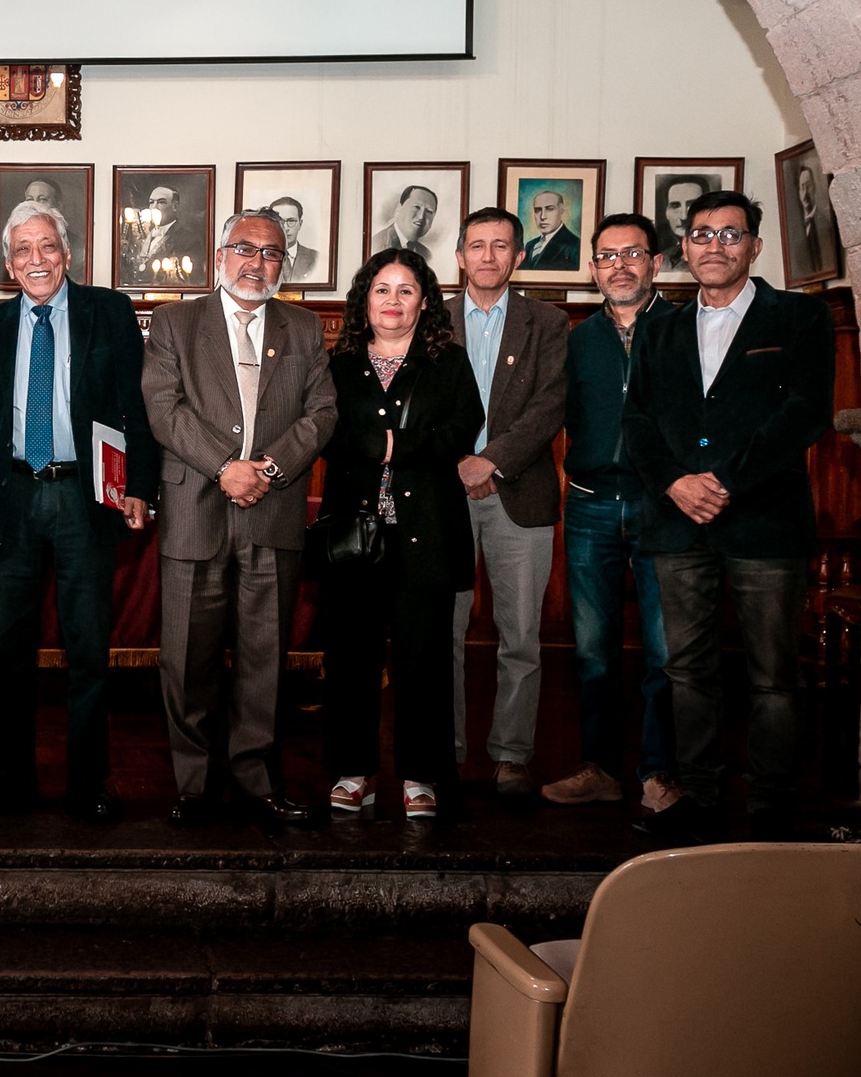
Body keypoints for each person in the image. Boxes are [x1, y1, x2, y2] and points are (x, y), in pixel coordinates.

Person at [624, 191, 834, 843]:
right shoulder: (657, 327)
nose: (715, 246)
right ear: (683, 248)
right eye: (702, 234)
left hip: (765, 525)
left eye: (730, 235)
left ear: (754, 247)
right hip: (676, 523)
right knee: (687, 670)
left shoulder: (799, 318)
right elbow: (638, 425)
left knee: (773, 674)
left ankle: (771, 805)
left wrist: (725, 482)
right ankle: (702, 798)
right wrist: (677, 485)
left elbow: (804, 413)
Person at [0, 199, 158, 825]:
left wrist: (140, 488)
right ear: (8, 264)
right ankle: (11, 783)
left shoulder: (108, 312)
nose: (36, 259)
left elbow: (137, 407)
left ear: (67, 255)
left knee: (88, 651)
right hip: (12, 499)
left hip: (84, 497)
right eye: (23, 250)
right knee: (7, 652)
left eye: (47, 247)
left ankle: (87, 785)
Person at [142, 208, 337, 826]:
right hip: (195, 507)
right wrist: (226, 466)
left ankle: (256, 779)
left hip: (273, 510)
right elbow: (163, 409)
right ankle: (193, 783)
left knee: (264, 657)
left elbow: (323, 412)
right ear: (221, 256)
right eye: (246, 249)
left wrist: (268, 470)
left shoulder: (304, 327)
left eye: (272, 252)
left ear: (285, 261)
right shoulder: (175, 322)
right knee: (187, 658)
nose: (258, 262)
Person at [318, 249, 481, 820]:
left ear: (425, 300)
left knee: (425, 661)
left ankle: (422, 776)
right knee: (350, 659)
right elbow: (326, 432)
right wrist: (396, 442)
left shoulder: (449, 362)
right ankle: (352, 771)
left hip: (427, 534)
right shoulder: (337, 364)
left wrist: (387, 445)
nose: (393, 301)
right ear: (365, 298)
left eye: (406, 290)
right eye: (382, 289)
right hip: (353, 537)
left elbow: (462, 430)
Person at [539, 214, 679, 814]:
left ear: (655, 262)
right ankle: (597, 767)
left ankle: (659, 773)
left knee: (664, 653)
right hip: (592, 508)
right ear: (593, 268)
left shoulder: (685, 329)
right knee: (593, 652)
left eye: (632, 253)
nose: (618, 265)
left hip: (664, 508)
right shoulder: (576, 339)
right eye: (606, 256)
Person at [445, 207, 568, 797]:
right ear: (460, 256)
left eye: (500, 246)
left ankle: (512, 754)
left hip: (519, 493)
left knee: (520, 635)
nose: (488, 256)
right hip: (442, 496)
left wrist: (490, 462)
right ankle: (444, 750)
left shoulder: (547, 322)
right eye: (477, 245)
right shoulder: (430, 319)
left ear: (519, 257)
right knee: (440, 632)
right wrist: (459, 466)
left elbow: (550, 406)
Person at [791, 163, 838, 277]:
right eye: (802, 187)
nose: (805, 193)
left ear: (815, 187)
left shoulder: (826, 224)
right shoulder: (794, 231)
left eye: (808, 185)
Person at [371, 185, 439, 262]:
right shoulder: (377, 244)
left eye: (429, 211)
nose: (421, 216)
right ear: (399, 208)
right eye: (416, 207)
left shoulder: (426, 255)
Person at [522, 190, 580, 272]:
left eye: (550, 209)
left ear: (562, 210)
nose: (542, 216)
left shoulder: (575, 246)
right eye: (538, 210)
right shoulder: (530, 245)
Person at [268, 196, 317, 282]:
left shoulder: (316, 258)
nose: (286, 227)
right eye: (280, 222)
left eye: (291, 221)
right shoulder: (260, 257)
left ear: (300, 224)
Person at [658, 179, 702, 270]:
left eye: (692, 206)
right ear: (666, 212)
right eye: (675, 206)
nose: (684, 217)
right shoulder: (663, 257)